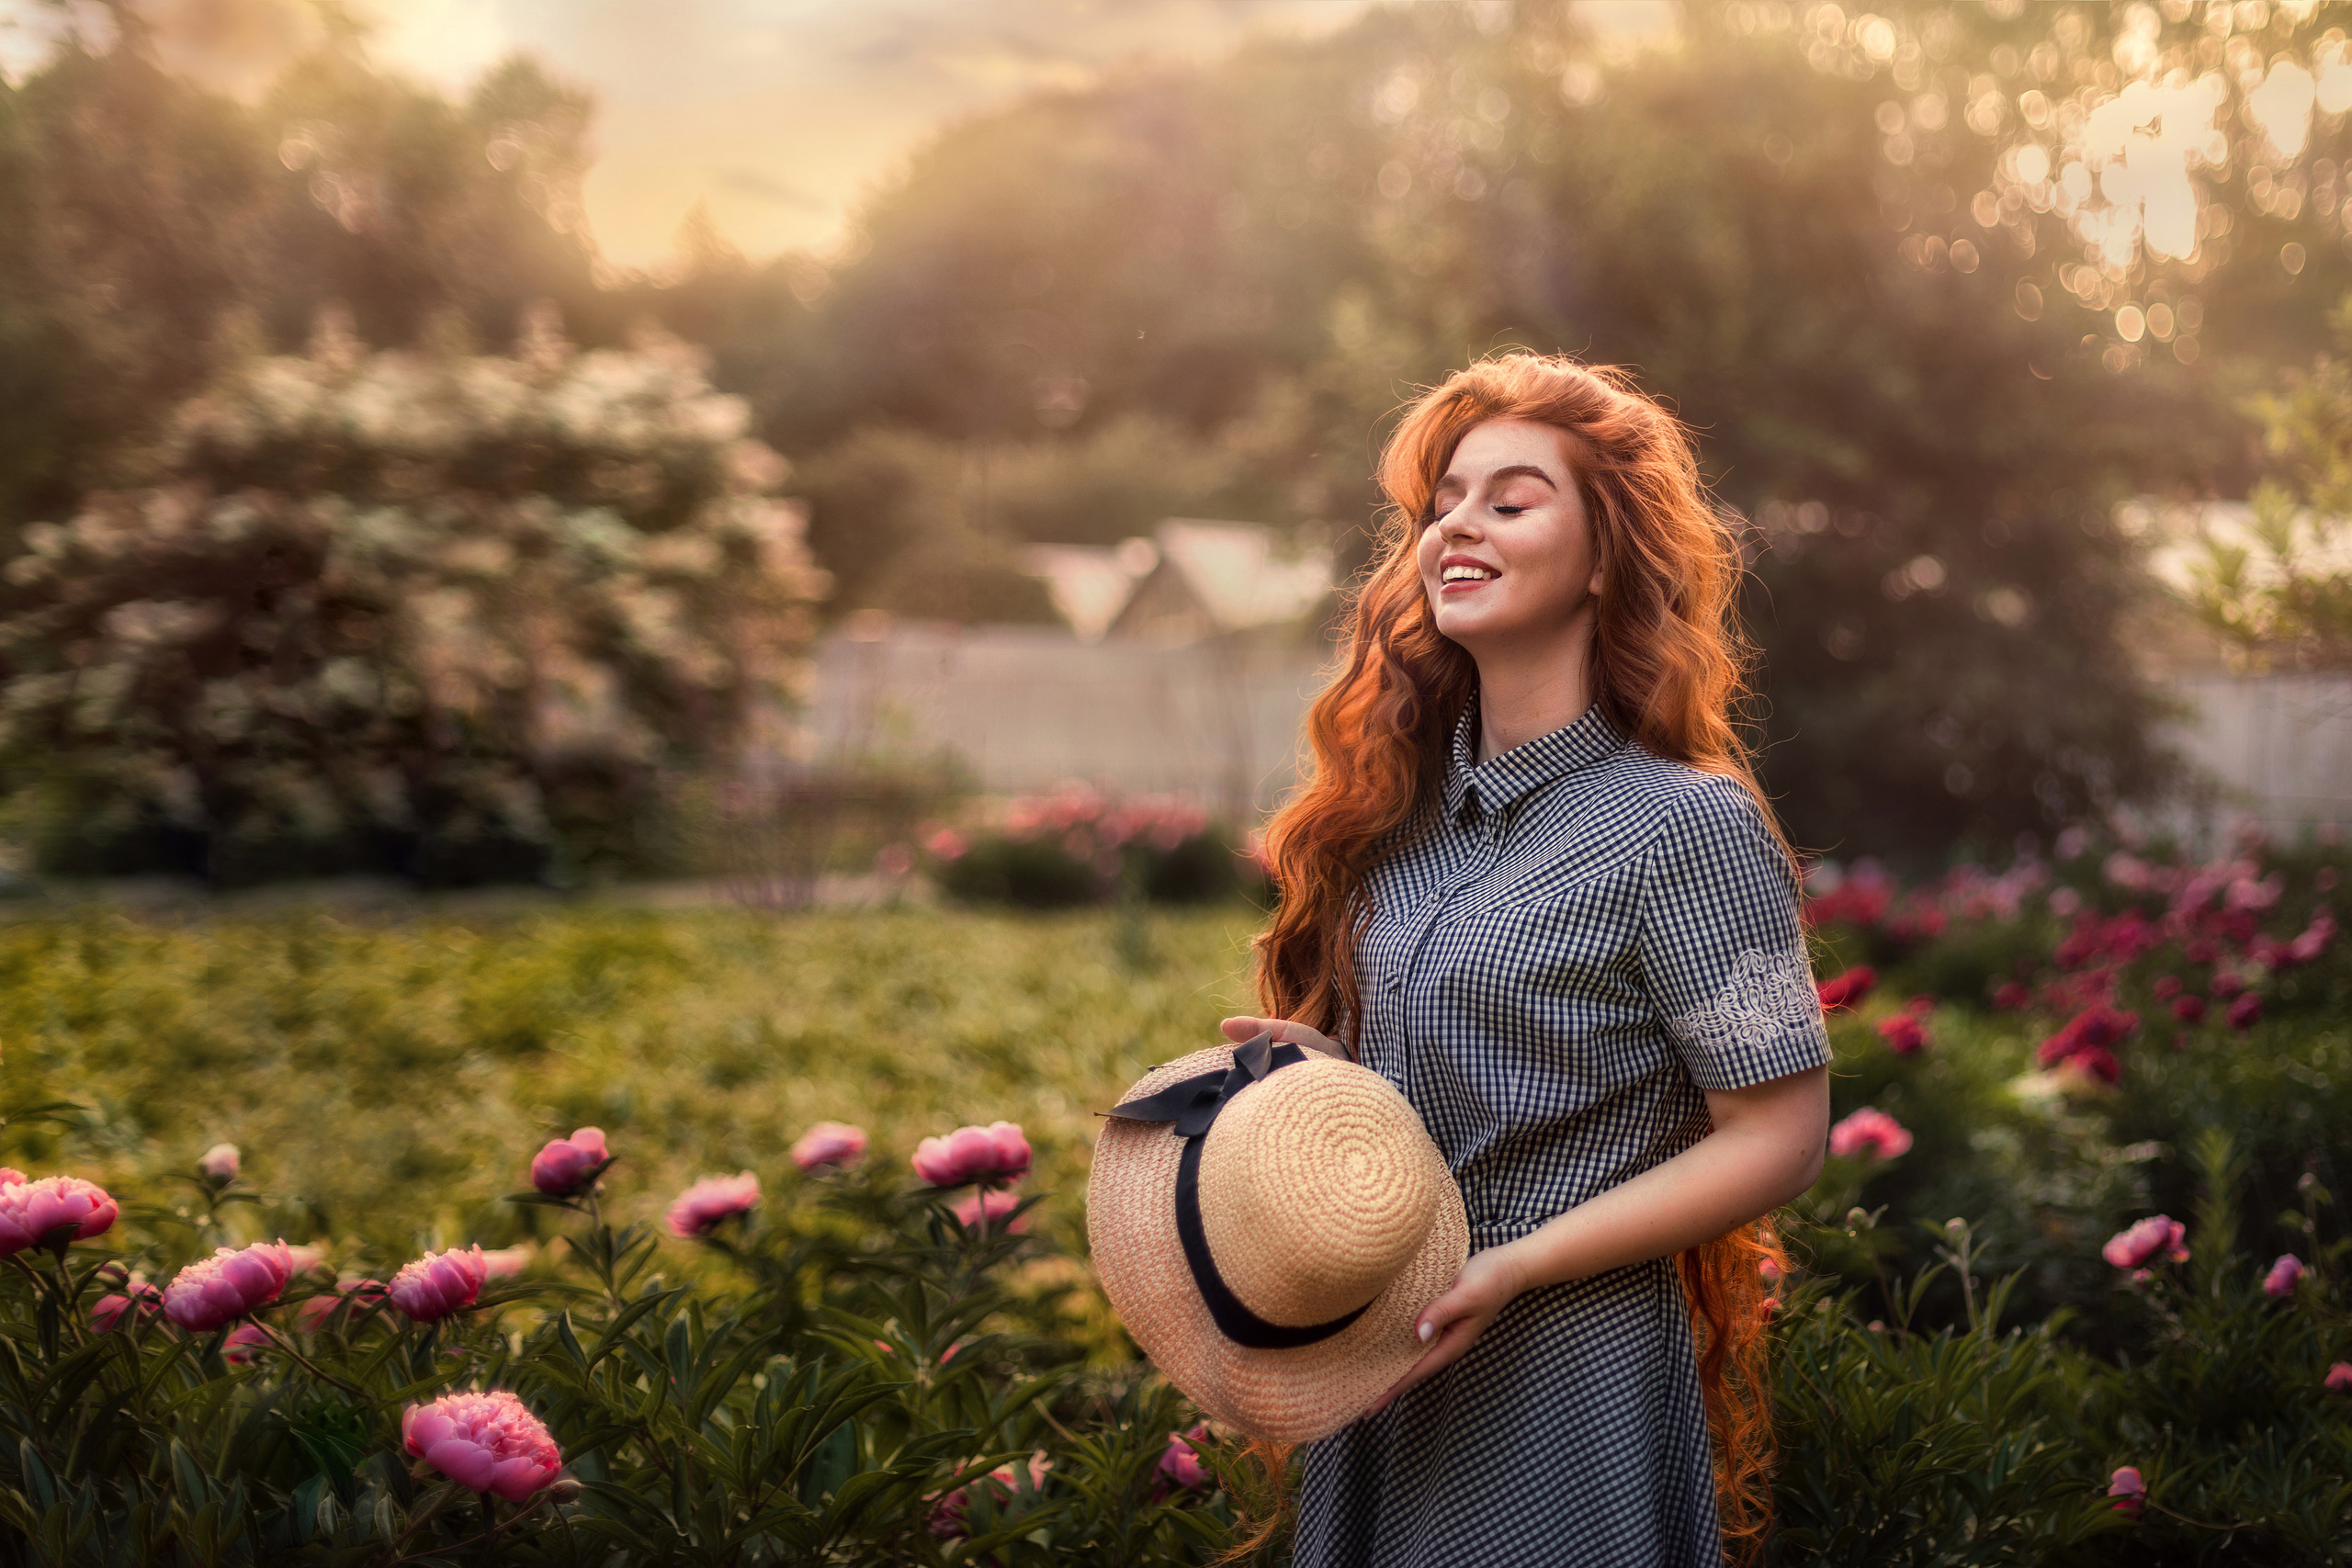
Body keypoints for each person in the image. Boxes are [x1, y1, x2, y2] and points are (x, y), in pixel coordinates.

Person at [1220, 353, 1832, 1566]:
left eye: (1510, 499)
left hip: (1564, 1368)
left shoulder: (1682, 828)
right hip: (1388, 1355)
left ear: (1603, 558)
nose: (1459, 524)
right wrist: (1330, 1075)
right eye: (1446, 500)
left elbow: (1782, 1133)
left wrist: (1512, 1269)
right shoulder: (1404, 822)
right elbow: (1467, 1082)